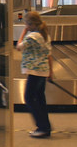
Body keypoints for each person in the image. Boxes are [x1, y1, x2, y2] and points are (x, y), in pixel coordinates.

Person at [19, 10, 53, 138]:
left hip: (34, 71)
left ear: (31, 24)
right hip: (43, 71)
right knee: (40, 99)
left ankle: (42, 127)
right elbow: (49, 55)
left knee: (29, 98)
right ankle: (45, 126)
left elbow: (19, 46)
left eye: (27, 24)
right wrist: (51, 72)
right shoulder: (45, 35)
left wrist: (23, 32)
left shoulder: (32, 36)